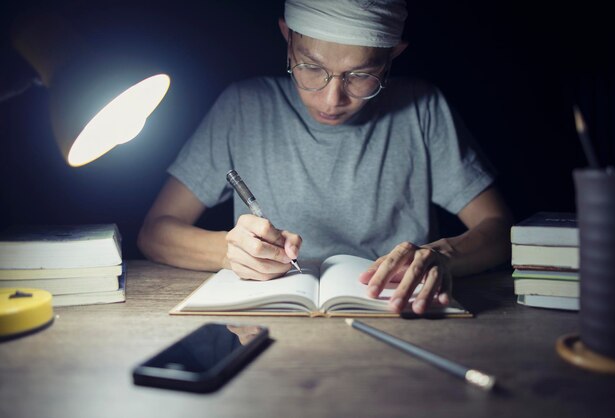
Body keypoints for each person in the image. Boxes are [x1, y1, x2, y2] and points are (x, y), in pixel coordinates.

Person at [137, 0, 513, 315]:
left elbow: (498, 229)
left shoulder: (421, 107)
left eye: (361, 75)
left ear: (392, 57)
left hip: (398, 315)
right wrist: (230, 252)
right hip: (274, 320)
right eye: (312, 68)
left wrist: (443, 255)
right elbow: (154, 232)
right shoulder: (243, 106)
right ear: (287, 39)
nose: (332, 100)